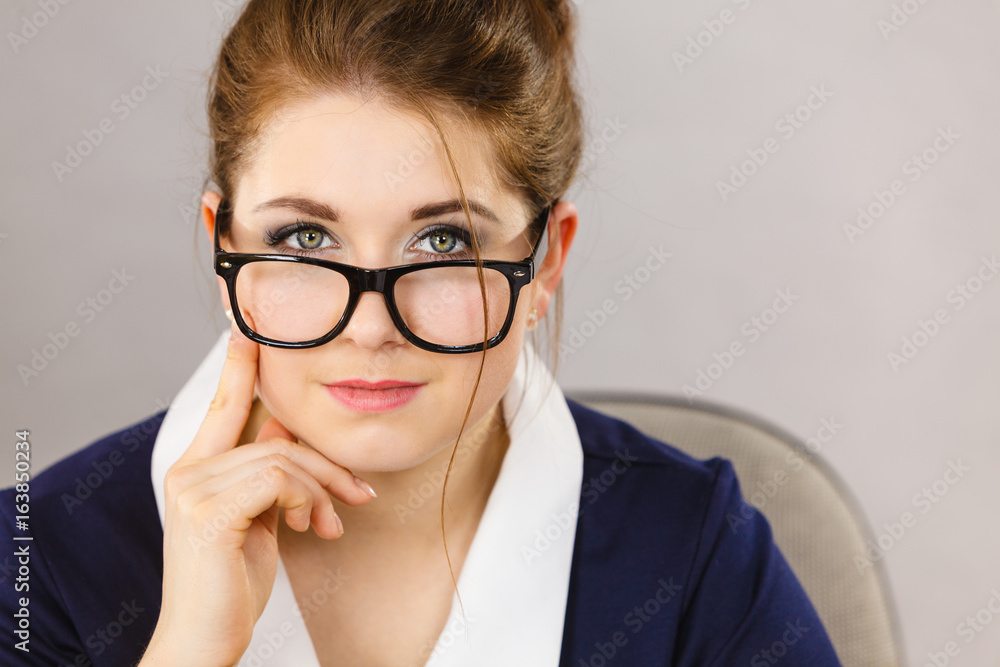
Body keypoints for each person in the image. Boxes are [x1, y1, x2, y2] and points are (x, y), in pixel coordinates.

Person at [0, 0, 843, 665]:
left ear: (545, 266)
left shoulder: (695, 556)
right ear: (228, 246)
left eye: (444, 242)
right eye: (304, 238)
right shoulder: (37, 563)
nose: (370, 327)